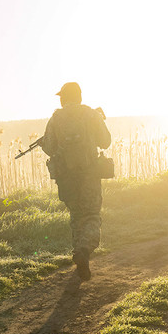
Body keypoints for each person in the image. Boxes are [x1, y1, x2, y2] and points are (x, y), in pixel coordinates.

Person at [40, 82, 112, 280]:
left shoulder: (56, 118)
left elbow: (49, 148)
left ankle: (79, 253)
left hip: (66, 177)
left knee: (76, 216)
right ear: (79, 96)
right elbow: (105, 141)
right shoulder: (91, 114)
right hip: (89, 175)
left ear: (64, 98)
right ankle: (84, 250)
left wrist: (44, 143)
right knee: (92, 215)